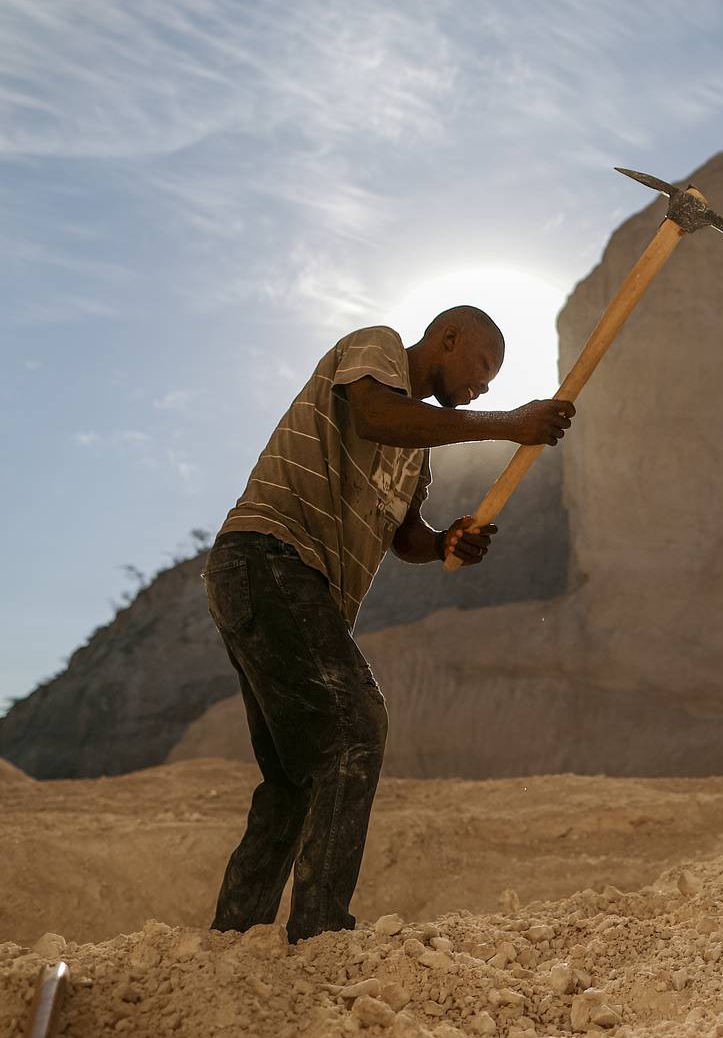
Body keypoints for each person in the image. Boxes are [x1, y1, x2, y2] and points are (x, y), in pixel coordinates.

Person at [202, 309, 573, 943]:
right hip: (269, 558)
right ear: (447, 339)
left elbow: (406, 539)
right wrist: (508, 425)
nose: (486, 385)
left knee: (296, 778)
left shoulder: (416, 453)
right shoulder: (376, 351)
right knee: (356, 724)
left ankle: (233, 939)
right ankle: (320, 932)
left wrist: (447, 542)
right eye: (484, 365)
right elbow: (377, 416)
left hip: (289, 583)